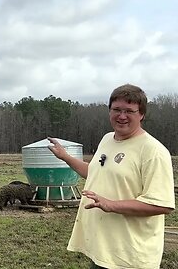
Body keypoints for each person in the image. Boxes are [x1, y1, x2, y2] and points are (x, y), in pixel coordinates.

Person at [47, 84, 175, 269]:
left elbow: (162, 204)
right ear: (109, 111)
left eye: (129, 111)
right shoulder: (107, 139)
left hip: (130, 257)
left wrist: (112, 205)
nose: (122, 116)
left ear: (141, 114)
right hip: (102, 250)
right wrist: (65, 157)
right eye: (116, 110)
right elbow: (95, 174)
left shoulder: (153, 151)